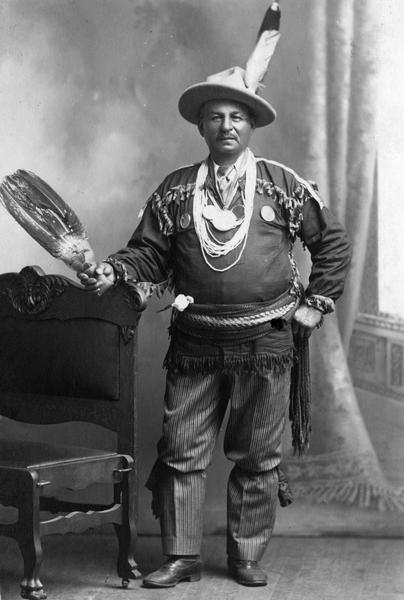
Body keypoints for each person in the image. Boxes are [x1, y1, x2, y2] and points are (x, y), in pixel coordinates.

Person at [78, 65, 352, 587]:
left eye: (237, 116)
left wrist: (314, 304)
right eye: (214, 117)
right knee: (181, 452)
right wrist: (115, 270)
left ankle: (245, 556)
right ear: (200, 127)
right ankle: (181, 556)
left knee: (257, 455)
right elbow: (148, 255)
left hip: (267, 344)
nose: (226, 125)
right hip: (196, 344)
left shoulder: (284, 185)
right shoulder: (176, 190)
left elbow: (332, 244)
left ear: (251, 125)